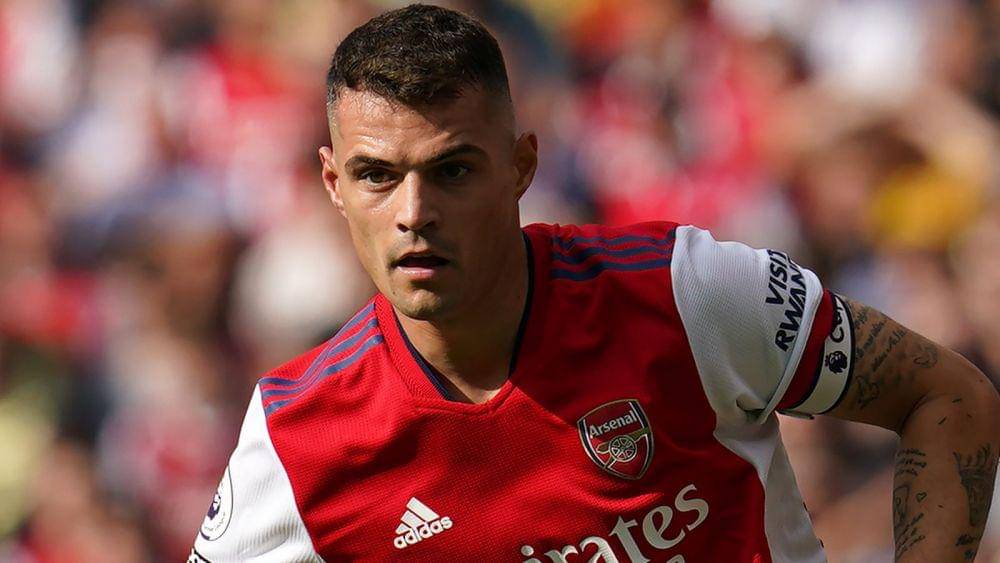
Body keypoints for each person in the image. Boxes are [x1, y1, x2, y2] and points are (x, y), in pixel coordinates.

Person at [188, 4, 999, 562]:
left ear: (522, 167)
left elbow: (948, 396)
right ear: (333, 185)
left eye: (454, 170)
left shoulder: (684, 292)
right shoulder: (297, 439)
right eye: (376, 175)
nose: (414, 213)